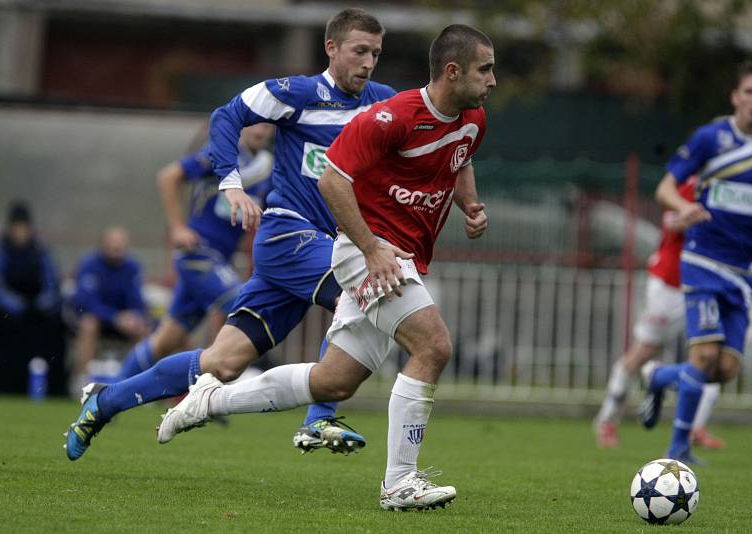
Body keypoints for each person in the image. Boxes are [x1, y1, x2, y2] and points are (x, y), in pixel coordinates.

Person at [157, 24, 494, 511]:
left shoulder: (474, 119)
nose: (493, 80)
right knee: (434, 346)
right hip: (366, 255)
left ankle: (208, 399)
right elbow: (333, 181)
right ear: (452, 71)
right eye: (485, 69)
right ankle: (400, 482)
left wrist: (471, 205)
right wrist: (372, 249)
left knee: (334, 381)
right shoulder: (390, 116)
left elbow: (457, 159)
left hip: (400, 257)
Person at [65, 8, 395, 461]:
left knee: (221, 362)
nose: (368, 62)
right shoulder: (297, 91)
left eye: (376, 53)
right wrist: (231, 183)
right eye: (360, 51)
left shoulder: (382, 102)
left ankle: (106, 401)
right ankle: (319, 416)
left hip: (310, 250)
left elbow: (427, 142)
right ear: (331, 48)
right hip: (289, 236)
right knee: (357, 292)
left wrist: (464, 200)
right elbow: (227, 115)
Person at [637, 61, 752, 465]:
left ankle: (658, 376)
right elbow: (665, 188)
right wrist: (685, 207)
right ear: (735, 97)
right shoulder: (712, 138)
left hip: (743, 275)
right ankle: (677, 450)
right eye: (749, 92)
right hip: (703, 261)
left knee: (723, 369)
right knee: (703, 357)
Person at [113, 124, 273, 381]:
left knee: (165, 341)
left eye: (268, 124)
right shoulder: (222, 153)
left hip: (220, 260)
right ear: (242, 125)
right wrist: (177, 227)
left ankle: (106, 395)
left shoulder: (267, 167)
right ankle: (219, 387)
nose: (261, 129)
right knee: (242, 304)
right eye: (255, 122)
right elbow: (168, 176)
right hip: (197, 254)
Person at [594, 176, 726, 450]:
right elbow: (670, 222)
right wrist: (697, 217)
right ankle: (607, 420)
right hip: (670, 283)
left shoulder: (735, 180)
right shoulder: (694, 181)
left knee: (715, 354)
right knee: (643, 352)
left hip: (706, 284)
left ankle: (694, 427)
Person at [0, 201, 67, 395]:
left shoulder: (41, 252)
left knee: (56, 331)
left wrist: (39, 304)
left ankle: (56, 390)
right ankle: (6, 388)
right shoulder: (0, 252)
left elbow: (52, 285)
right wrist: (18, 305)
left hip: (38, 312)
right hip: (10, 314)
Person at [71, 226, 149, 390]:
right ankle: (81, 382)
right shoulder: (89, 265)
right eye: (112, 243)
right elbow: (86, 302)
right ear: (103, 243)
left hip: (123, 324)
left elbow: (138, 302)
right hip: (99, 321)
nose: (116, 248)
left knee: (142, 328)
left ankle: (137, 385)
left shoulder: (132, 267)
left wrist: (133, 317)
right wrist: (115, 318)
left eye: (120, 244)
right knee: (88, 324)